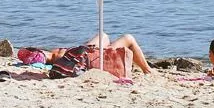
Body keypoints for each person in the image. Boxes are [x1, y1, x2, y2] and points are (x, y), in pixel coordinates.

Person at [17, 31, 154, 75]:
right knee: (127, 38)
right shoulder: (55, 55)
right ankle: (148, 70)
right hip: (87, 55)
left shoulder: (54, 58)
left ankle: (145, 68)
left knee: (104, 36)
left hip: (81, 55)